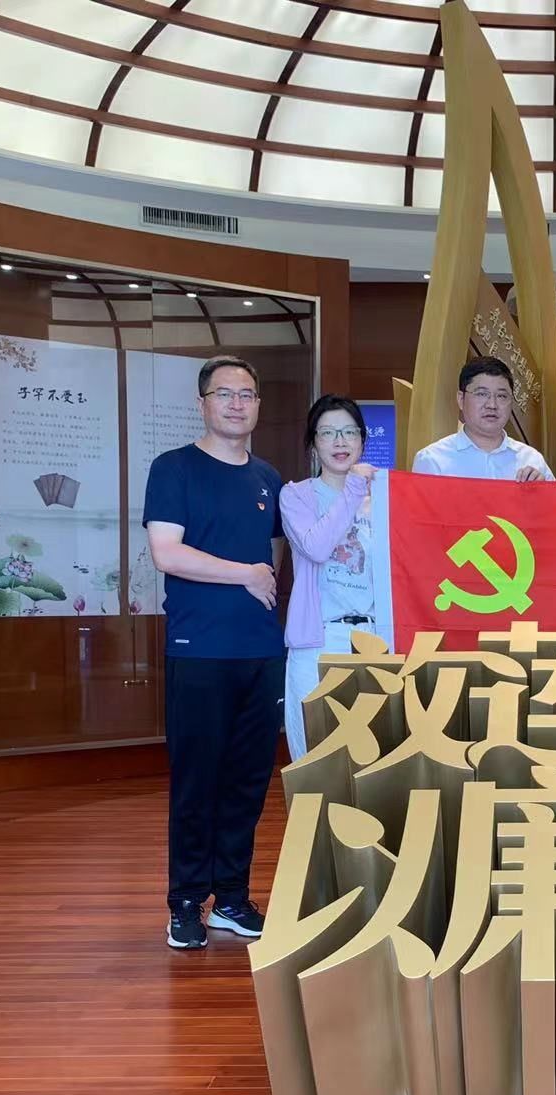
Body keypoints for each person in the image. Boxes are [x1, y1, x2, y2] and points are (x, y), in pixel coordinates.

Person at [142, 355, 282, 951]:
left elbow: (277, 555)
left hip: (262, 650)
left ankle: (231, 898)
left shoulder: (268, 477)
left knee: (248, 783)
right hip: (198, 650)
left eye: (246, 394)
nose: (236, 404)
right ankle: (185, 902)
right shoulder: (173, 468)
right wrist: (245, 573)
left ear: (257, 405)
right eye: (224, 393)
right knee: (196, 781)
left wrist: (260, 575)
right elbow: (167, 553)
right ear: (202, 402)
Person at [279, 395, 389, 762]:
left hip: (375, 638)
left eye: (349, 432)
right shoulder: (296, 496)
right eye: (327, 433)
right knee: (315, 757)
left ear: (362, 439)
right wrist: (354, 488)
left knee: (373, 754)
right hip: (319, 640)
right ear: (313, 443)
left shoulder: (385, 498)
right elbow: (317, 547)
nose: (340, 442)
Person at [411, 356, 554, 481]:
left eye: (501, 396)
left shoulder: (531, 460)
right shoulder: (433, 460)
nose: (492, 405)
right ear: (461, 399)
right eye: (481, 394)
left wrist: (541, 493)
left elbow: (555, 503)